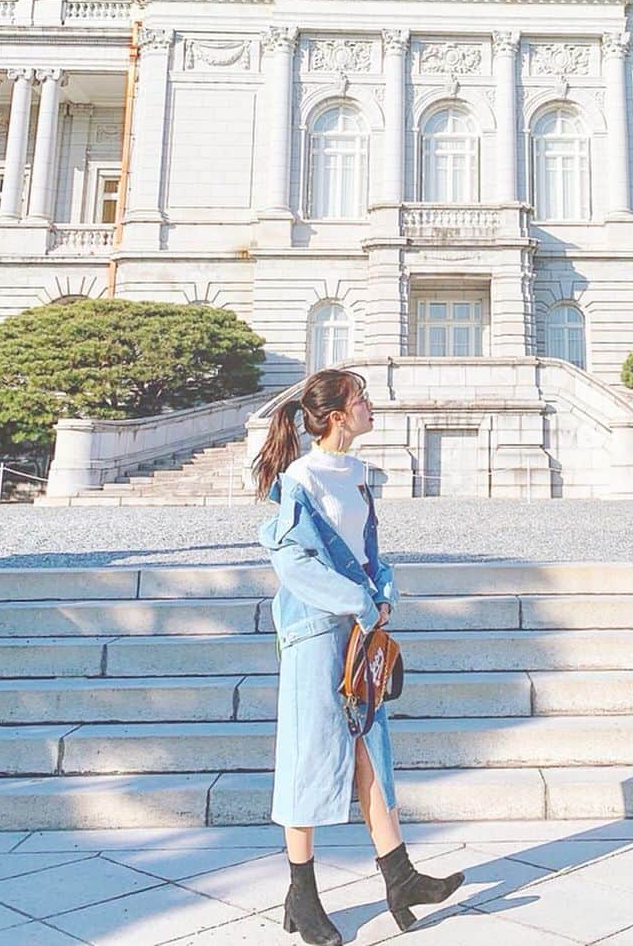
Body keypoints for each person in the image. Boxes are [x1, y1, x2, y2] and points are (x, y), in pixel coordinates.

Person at [255, 368, 464, 945]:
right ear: (340, 415)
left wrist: (383, 595)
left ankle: (399, 876)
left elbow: (368, 551)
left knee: (372, 747)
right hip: (315, 632)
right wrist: (358, 602)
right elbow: (292, 563)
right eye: (361, 398)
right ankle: (302, 892)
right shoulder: (300, 478)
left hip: (359, 632)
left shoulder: (358, 475)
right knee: (310, 755)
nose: (371, 405)